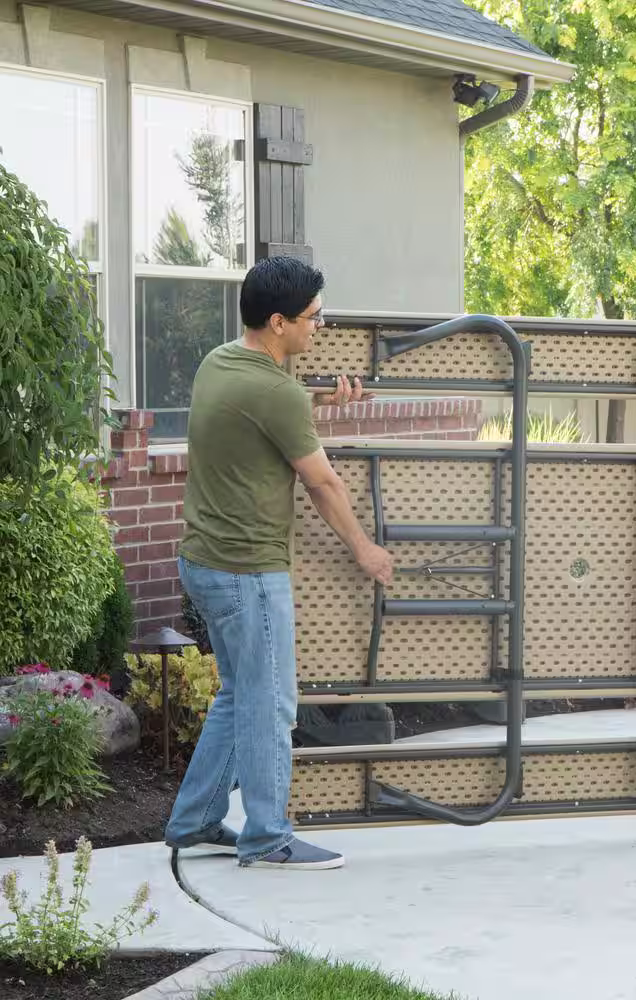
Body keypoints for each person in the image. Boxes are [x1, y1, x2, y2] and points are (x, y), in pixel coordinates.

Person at [164, 256, 393, 869]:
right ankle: (267, 835)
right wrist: (365, 549)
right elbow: (323, 485)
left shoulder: (221, 363)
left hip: (204, 563)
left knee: (240, 697)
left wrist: (316, 401)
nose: (320, 326)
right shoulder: (276, 392)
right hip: (247, 573)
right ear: (277, 321)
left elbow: (263, 411)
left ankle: (195, 820)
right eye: (314, 317)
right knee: (271, 704)